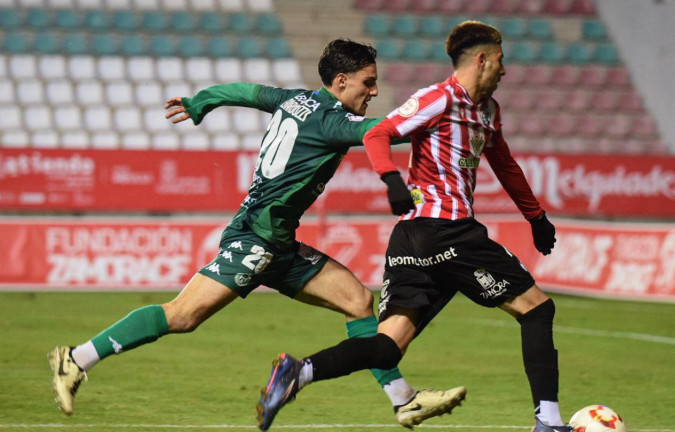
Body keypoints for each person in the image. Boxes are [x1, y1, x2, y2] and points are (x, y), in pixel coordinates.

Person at [47, 38, 465, 430]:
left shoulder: (295, 100)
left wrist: (201, 102)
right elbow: (384, 130)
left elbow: (246, 92)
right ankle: (77, 358)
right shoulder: (334, 122)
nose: (372, 91)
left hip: (277, 243)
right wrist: (443, 109)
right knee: (183, 316)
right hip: (256, 240)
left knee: (357, 301)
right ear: (341, 82)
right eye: (367, 83)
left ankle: (403, 398)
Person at [255, 21, 572, 432]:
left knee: (387, 348)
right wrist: (392, 180)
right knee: (537, 309)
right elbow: (379, 134)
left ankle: (299, 372)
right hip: (447, 230)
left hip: (413, 240)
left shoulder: (488, 112)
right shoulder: (437, 98)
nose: (504, 70)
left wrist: (536, 216)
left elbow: (505, 164)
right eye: (500, 60)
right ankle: (548, 422)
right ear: (481, 60)